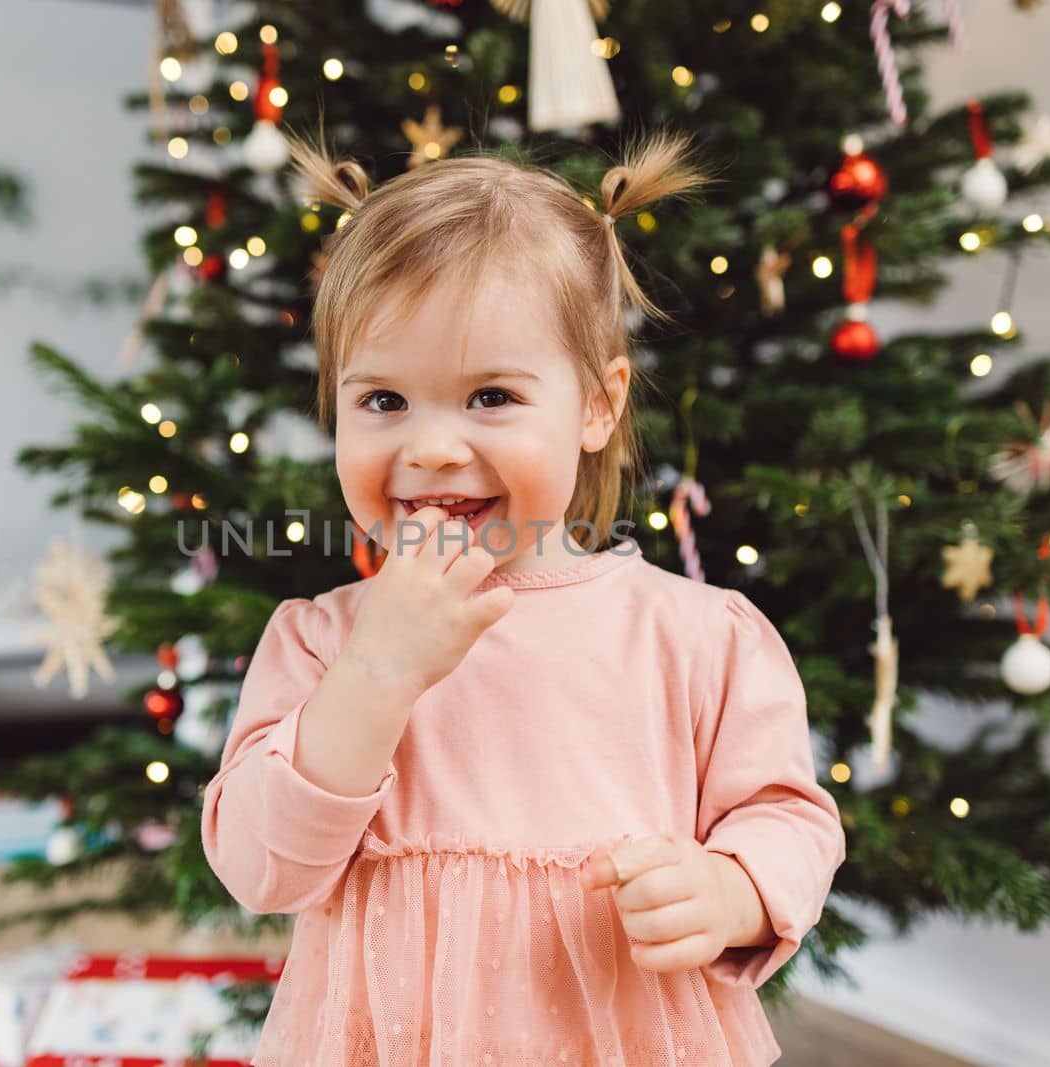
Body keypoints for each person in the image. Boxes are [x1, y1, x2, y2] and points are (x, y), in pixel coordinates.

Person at [200, 129, 848, 1067]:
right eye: (383, 400)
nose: (429, 448)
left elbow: (789, 816)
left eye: (491, 396)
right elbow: (263, 868)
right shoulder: (318, 642)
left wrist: (733, 888)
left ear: (597, 405)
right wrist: (374, 674)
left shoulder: (698, 637)